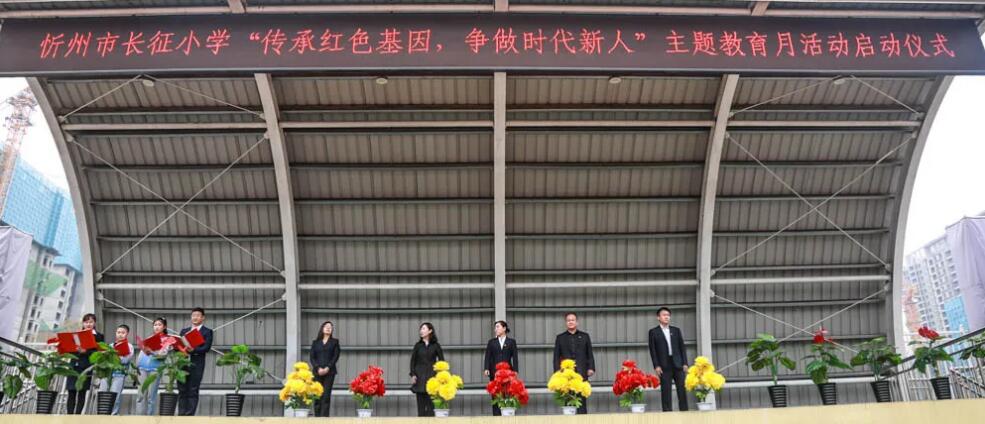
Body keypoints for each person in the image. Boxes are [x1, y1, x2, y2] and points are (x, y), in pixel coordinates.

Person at [648, 307, 689, 412]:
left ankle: (684, 411)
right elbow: (653, 350)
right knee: (666, 390)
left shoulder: (676, 330)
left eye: (668, 315)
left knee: (682, 389)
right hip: (664, 365)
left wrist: (685, 363)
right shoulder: (653, 332)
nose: (667, 317)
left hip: (678, 364)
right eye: (664, 315)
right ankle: (667, 412)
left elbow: (682, 348)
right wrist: (656, 366)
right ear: (658, 317)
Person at [553, 312, 594, 414]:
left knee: (581, 398)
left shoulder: (585, 336)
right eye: (568, 320)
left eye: (572, 320)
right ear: (566, 323)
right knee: (568, 396)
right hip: (566, 374)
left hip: (582, 372)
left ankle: (583, 418)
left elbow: (589, 353)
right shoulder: (560, 338)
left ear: (577, 322)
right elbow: (556, 356)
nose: (570, 322)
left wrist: (591, 368)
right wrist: (557, 371)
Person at [65, 313, 105, 414]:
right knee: (71, 391)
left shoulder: (99, 336)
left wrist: (85, 351)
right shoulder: (76, 335)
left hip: (86, 367)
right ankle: (69, 416)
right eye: (86, 322)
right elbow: (70, 350)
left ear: (94, 323)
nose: (88, 324)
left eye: (91, 322)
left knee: (82, 392)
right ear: (83, 323)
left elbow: (98, 353)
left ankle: (78, 416)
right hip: (74, 366)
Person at [178, 307, 214, 416]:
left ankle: (189, 415)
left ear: (203, 318)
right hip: (183, 363)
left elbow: (206, 348)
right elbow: (179, 345)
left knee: (193, 389)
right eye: (193, 315)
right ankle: (181, 414)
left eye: (198, 315)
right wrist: (179, 348)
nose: (195, 317)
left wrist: (193, 350)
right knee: (182, 389)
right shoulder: (184, 331)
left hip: (197, 363)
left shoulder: (207, 331)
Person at [483, 320, 519, 416]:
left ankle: (508, 414)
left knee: (508, 393)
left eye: (498, 327)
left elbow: (515, 357)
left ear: (504, 328)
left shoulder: (511, 342)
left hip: (508, 373)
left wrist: (515, 370)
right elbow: (487, 356)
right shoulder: (491, 342)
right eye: (495, 327)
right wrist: (486, 368)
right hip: (494, 373)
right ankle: (496, 416)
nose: (496, 329)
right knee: (495, 394)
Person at [136, 317, 170, 416]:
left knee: (151, 395)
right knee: (140, 394)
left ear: (164, 327)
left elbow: (163, 354)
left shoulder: (166, 339)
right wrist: (137, 366)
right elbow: (141, 353)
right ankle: (139, 417)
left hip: (154, 369)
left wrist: (152, 352)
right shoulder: (149, 338)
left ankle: (149, 417)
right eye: (155, 325)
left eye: (159, 325)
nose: (157, 327)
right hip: (142, 368)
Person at [97, 324, 134, 415]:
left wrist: (115, 355)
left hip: (119, 374)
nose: (120, 334)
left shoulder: (129, 346)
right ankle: (102, 414)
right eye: (118, 332)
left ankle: (113, 415)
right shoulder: (110, 345)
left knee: (115, 396)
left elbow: (125, 360)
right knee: (102, 394)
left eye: (123, 333)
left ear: (127, 334)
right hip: (107, 374)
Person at [409, 322, 444, 417]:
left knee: (430, 409)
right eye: (421, 329)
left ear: (430, 331)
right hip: (419, 378)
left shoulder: (436, 345)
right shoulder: (418, 346)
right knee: (421, 409)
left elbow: (442, 362)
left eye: (424, 328)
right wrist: (413, 374)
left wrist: (440, 376)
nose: (421, 331)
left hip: (432, 378)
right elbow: (413, 361)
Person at [309, 320, 341, 417]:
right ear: (322, 329)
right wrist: (318, 368)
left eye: (330, 327)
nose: (328, 328)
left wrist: (328, 367)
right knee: (317, 395)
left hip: (329, 372)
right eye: (326, 326)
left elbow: (335, 356)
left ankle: (324, 418)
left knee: (326, 395)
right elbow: (312, 357)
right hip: (317, 372)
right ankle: (317, 417)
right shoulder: (315, 343)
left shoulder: (335, 342)